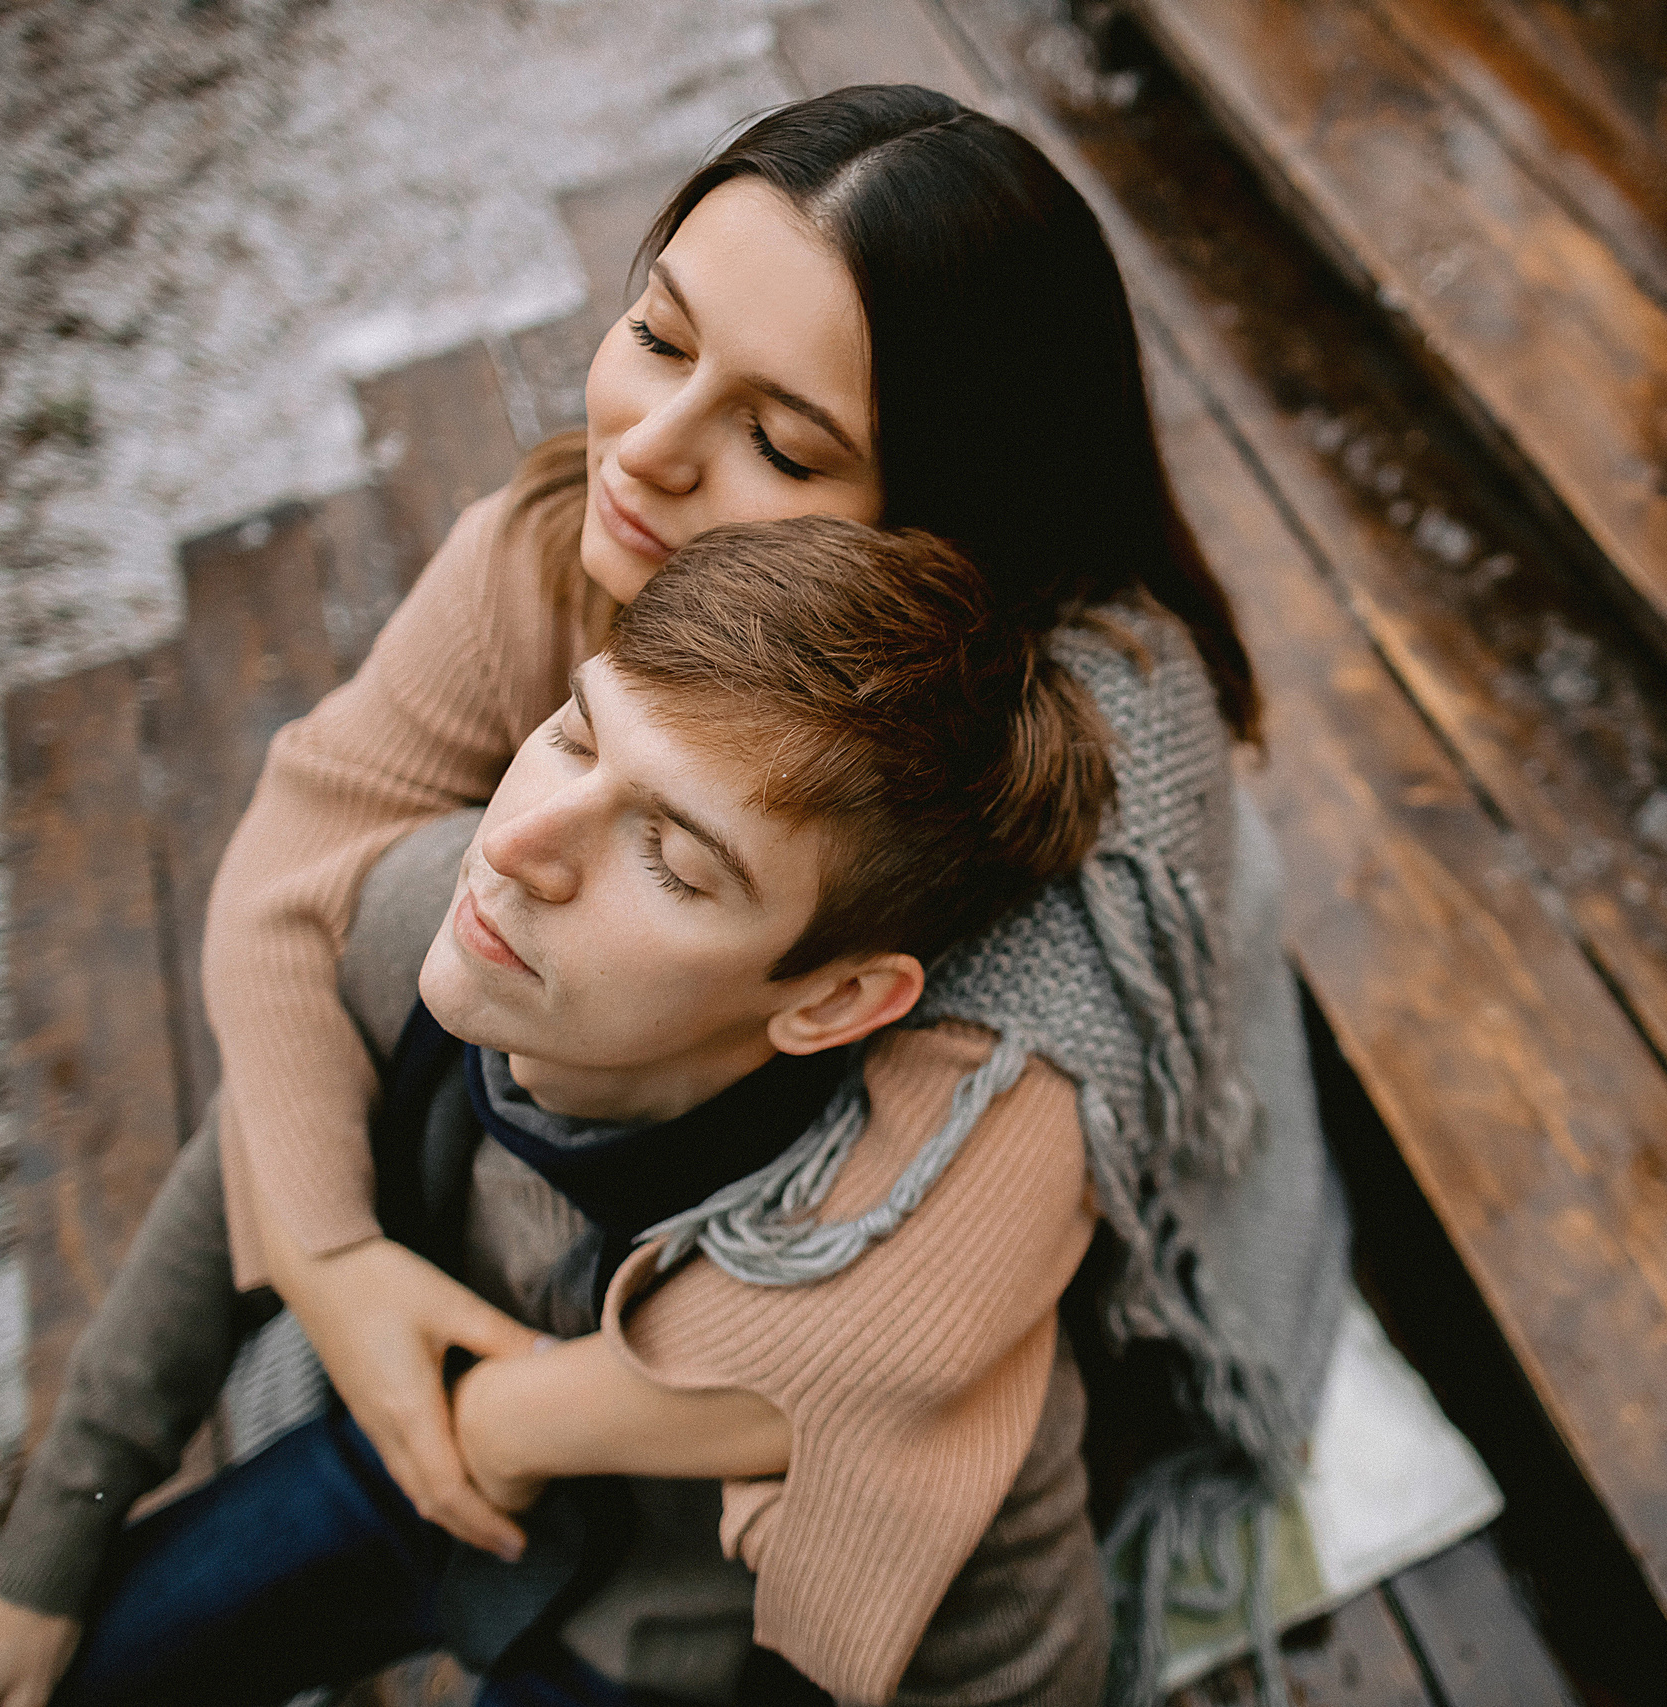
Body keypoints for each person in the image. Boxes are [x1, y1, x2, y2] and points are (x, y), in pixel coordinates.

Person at [82, 81, 1344, 1701]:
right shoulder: (569, 539)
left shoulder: (1084, 785)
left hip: (1007, 1334)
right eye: (661, 335)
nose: (647, 453)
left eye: (782, 440)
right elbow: (293, 880)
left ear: (945, 523)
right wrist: (333, 1265)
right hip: (630, 1208)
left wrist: (495, 1418)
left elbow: (902, 1311)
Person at [0, 517, 1119, 1707]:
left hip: (673, 1651)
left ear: (835, 1001)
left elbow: (1015, 1646)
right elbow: (225, 1189)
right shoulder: (418, 912)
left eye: (672, 859)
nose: (514, 846)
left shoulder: (894, 1258)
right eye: (574, 734)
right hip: (410, 1454)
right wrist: (33, 1571)